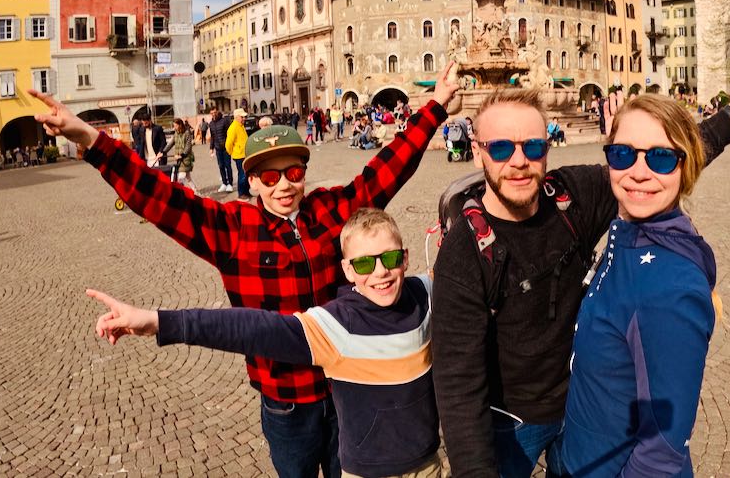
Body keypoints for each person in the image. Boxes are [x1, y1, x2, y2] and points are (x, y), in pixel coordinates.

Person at [29, 62, 458, 478]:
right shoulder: (233, 228)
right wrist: (91, 138)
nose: (284, 185)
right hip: (286, 400)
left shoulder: (331, 210)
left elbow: (389, 167)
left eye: (292, 172)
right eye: (269, 178)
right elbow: (160, 199)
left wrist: (435, 106)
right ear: (250, 181)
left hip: (346, 388)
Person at [431, 47, 730, 478]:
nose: (519, 161)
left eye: (533, 145)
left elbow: (654, 164)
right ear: (477, 152)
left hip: (580, 406)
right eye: (501, 148)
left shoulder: (568, 197)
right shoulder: (465, 250)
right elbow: (457, 383)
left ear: (547, 147)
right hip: (514, 422)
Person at [86, 210, 442, 478]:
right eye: (365, 263)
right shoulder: (336, 326)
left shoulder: (423, 293)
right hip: (369, 471)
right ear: (348, 271)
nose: (380, 272)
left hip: (431, 463)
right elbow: (252, 328)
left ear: (405, 258)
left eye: (391, 259)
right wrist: (157, 321)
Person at [548, 95, 717, 478]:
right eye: (623, 154)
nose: (638, 172)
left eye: (660, 157)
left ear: (684, 166)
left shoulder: (670, 287)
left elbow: (664, 448)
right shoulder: (628, 233)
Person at [207, 107, 233, 194]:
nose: (213, 114)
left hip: (226, 148)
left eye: (215, 112)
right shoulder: (211, 124)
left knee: (228, 165)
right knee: (221, 166)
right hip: (218, 148)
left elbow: (229, 133)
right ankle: (224, 183)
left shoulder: (224, 121)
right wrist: (211, 148)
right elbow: (212, 137)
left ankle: (230, 184)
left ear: (217, 112)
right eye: (212, 113)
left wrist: (229, 144)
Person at [226, 108, 251, 199]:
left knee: (246, 174)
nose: (244, 118)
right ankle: (241, 193)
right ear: (236, 117)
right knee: (242, 174)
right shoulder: (233, 127)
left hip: (244, 154)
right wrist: (231, 152)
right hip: (239, 155)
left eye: (245, 117)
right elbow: (228, 143)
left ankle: (246, 191)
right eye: (242, 117)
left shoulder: (240, 125)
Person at [170, 118, 196, 188]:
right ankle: (196, 192)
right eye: (174, 126)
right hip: (179, 159)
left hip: (186, 158)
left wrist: (182, 154)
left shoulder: (187, 133)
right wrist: (163, 152)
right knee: (188, 178)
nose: (174, 127)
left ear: (180, 125)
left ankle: (181, 193)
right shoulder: (176, 133)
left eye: (175, 126)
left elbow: (188, 146)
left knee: (181, 178)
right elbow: (171, 143)